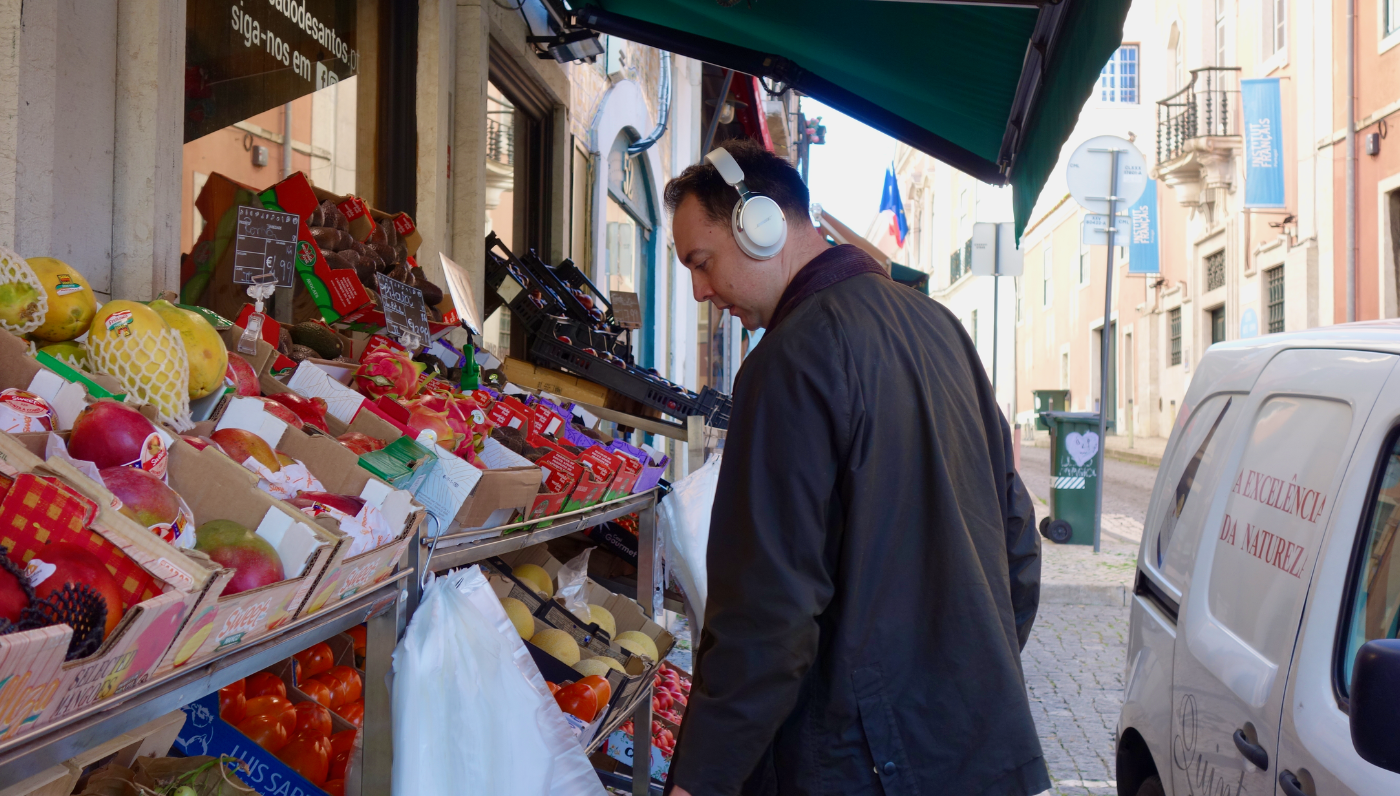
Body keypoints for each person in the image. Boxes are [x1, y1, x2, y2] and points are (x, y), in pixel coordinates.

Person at [662, 139, 1047, 796]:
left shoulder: (788, 360)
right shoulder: (942, 327)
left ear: (759, 225)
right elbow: (1016, 542)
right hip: (978, 755)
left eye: (702, 262)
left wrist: (697, 781)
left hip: (860, 769)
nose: (701, 292)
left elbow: (766, 613)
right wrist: (957, 687)